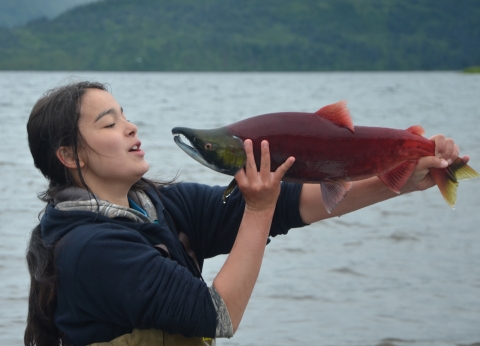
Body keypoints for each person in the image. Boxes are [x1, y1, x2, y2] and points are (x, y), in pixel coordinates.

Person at [24, 81, 467, 346]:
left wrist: (402, 179)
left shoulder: (157, 206)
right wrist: (258, 207)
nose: (130, 126)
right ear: (68, 154)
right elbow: (218, 315)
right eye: (108, 123)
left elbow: (296, 204)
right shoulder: (90, 247)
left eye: (124, 115)